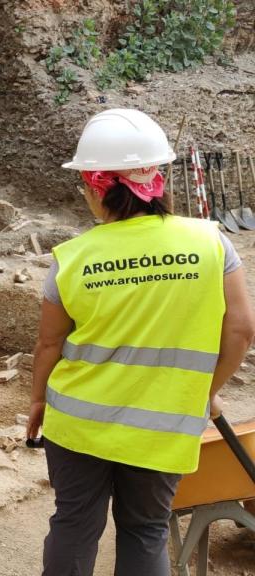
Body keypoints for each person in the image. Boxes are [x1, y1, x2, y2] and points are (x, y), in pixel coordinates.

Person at [26, 108, 255, 576]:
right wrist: (205, 390)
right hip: (165, 421)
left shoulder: (72, 258)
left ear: (95, 187)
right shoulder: (211, 243)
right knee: (146, 530)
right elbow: (242, 330)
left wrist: (37, 401)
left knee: (74, 524)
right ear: (157, 180)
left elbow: (49, 346)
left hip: (78, 422)